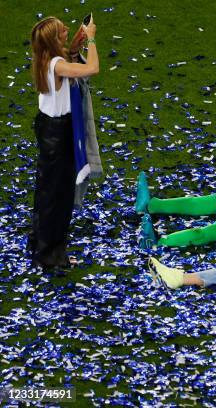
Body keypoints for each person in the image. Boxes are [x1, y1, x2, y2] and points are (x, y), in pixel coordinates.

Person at [28, 16, 99, 269]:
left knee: (47, 192)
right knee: (59, 196)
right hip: (59, 135)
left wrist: (74, 48)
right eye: (62, 31)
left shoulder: (46, 59)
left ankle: (40, 243)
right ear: (54, 40)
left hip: (48, 129)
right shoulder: (57, 64)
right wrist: (90, 38)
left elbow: (64, 63)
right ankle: (50, 255)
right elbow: (93, 68)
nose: (67, 29)